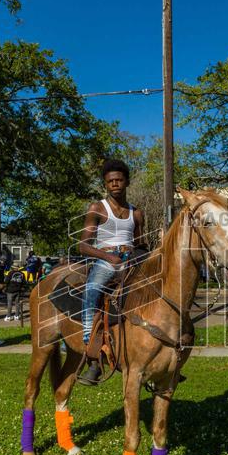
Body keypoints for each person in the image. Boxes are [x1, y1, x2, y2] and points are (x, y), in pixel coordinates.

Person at [77, 159, 145, 385]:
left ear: (127, 182)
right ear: (105, 184)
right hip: (107, 259)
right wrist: (108, 257)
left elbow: (141, 243)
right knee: (92, 290)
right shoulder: (97, 208)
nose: (115, 184)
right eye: (110, 181)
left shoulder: (137, 213)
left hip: (131, 260)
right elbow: (83, 245)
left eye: (119, 180)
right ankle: (91, 354)